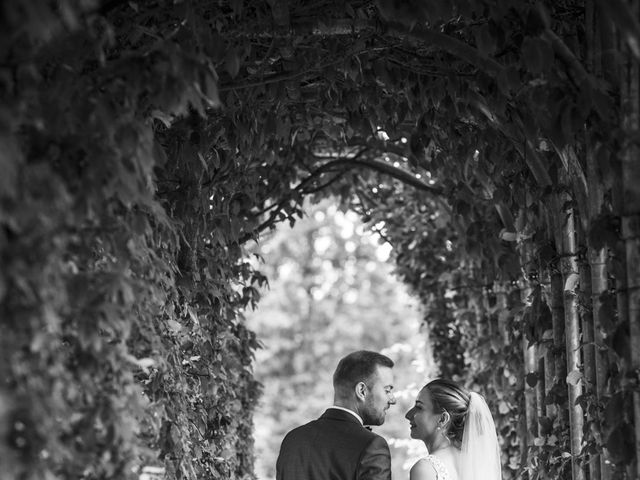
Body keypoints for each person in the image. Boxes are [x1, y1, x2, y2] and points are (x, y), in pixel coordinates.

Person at [276, 350, 396, 480]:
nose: (393, 399)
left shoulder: (293, 439)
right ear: (362, 391)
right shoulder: (372, 446)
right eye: (387, 390)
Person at [405, 379, 502, 480]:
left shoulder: (426, 469)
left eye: (419, 407)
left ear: (443, 419)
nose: (407, 415)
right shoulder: (477, 463)